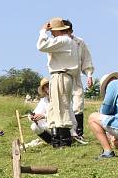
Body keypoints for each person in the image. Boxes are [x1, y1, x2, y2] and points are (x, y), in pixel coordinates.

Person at [36, 17, 80, 148]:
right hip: (59, 75)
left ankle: (64, 140)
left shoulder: (63, 40)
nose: (51, 33)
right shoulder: (68, 41)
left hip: (61, 75)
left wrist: (42, 31)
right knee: (55, 107)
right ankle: (58, 139)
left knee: (61, 106)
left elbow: (41, 46)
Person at [62, 19, 94, 142]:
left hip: (75, 76)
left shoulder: (79, 42)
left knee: (78, 103)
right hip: (62, 76)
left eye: (66, 30)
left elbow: (86, 59)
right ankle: (65, 133)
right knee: (63, 104)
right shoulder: (57, 42)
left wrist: (89, 75)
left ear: (71, 30)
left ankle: (78, 132)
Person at [27, 77, 53, 147]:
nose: (48, 89)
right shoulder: (44, 100)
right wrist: (32, 117)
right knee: (34, 126)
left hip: (62, 127)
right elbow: (36, 112)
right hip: (50, 127)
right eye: (45, 87)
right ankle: (51, 142)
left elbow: (60, 115)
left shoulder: (60, 98)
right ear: (44, 90)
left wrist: (44, 116)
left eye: (49, 86)